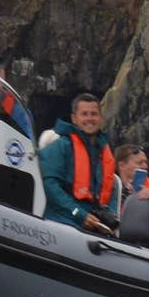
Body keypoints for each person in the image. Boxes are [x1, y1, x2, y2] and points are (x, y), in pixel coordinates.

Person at [39, 93, 119, 235]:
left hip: (94, 227)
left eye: (94, 114)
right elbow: (50, 186)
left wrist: (109, 216)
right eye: (84, 114)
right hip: (62, 221)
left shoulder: (104, 152)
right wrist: (79, 214)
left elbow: (111, 189)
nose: (89, 118)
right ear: (74, 119)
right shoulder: (60, 147)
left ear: (100, 118)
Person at [115, 143, 149, 240]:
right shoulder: (110, 186)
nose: (145, 166)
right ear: (122, 165)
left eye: (146, 163)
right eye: (139, 163)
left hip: (143, 244)